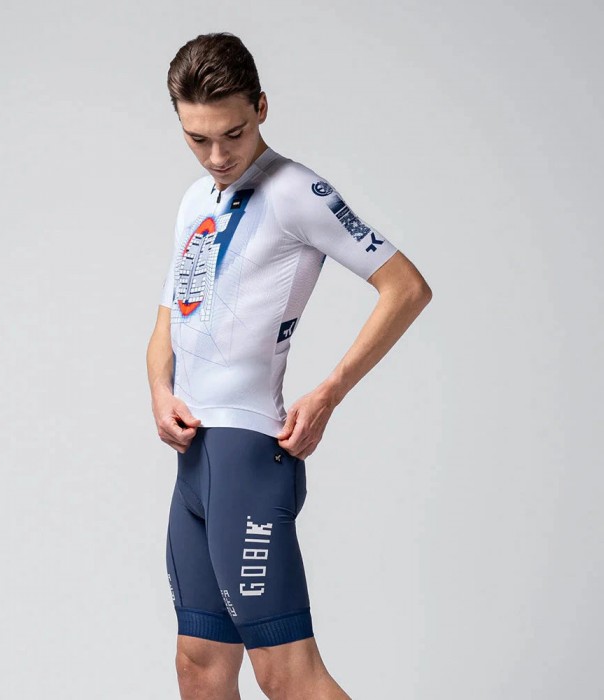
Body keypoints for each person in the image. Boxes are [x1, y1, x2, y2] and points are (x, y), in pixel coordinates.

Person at [146, 32, 432, 700]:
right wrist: (160, 390)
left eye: (233, 134)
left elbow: (406, 288)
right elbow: (167, 323)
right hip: (194, 461)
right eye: (197, 139)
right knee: (198, 662)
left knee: (286, 674)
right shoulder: (195, 201)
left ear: (262, 108)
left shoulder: (297, 190)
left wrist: (329, 392)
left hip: (246, 455)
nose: (218, 156)